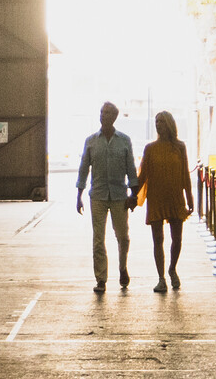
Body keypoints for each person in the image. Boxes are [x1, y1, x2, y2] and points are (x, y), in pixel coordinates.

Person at [74, 102, 136, 297]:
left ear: (114, 117)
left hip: (119, 195)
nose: (103, 115)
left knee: (123, 237)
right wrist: (79, 195)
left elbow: (131, 168)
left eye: (107, 113)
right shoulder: (91, 141)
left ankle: (122, 267)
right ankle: (101, 278)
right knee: (98, 239)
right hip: (98, 195)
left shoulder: (124, 141)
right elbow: (84, 168)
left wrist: (134, 195)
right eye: (101, 112)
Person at [134, 110, 192, 293]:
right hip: (156, 198)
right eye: (156, 122)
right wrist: (132, 196)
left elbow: (185, 174)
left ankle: (172, 269)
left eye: (161, 121)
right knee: (158, 239)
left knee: (177, 239)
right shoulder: (150, 148)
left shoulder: (180, 147)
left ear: (169, 124)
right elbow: (142, 175)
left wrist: (190, 198)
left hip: (175, 197)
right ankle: (161, 278)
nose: (158, 124)